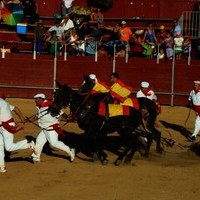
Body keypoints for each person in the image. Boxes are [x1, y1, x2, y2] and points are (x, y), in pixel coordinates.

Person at [30, 93, 75, 163]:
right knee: (39, 142)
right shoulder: (40, 106)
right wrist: (30, 120)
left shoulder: (50, 105)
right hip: (45, 128)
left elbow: (60, 112)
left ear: (41, 99)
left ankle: (70, 151)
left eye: (36, 99)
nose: (35, 101)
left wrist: (67, 118)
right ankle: (36, 157)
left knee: (54, 143)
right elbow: (38, 115)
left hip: (51, 128)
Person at [0, 92, 35, 173]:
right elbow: (16, 108)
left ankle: (29, 144)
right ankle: (2, 167)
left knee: (8, 147)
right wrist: (22, 118)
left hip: (6, 126)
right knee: (0, 146)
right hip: (3, 125)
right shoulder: (4, 102)